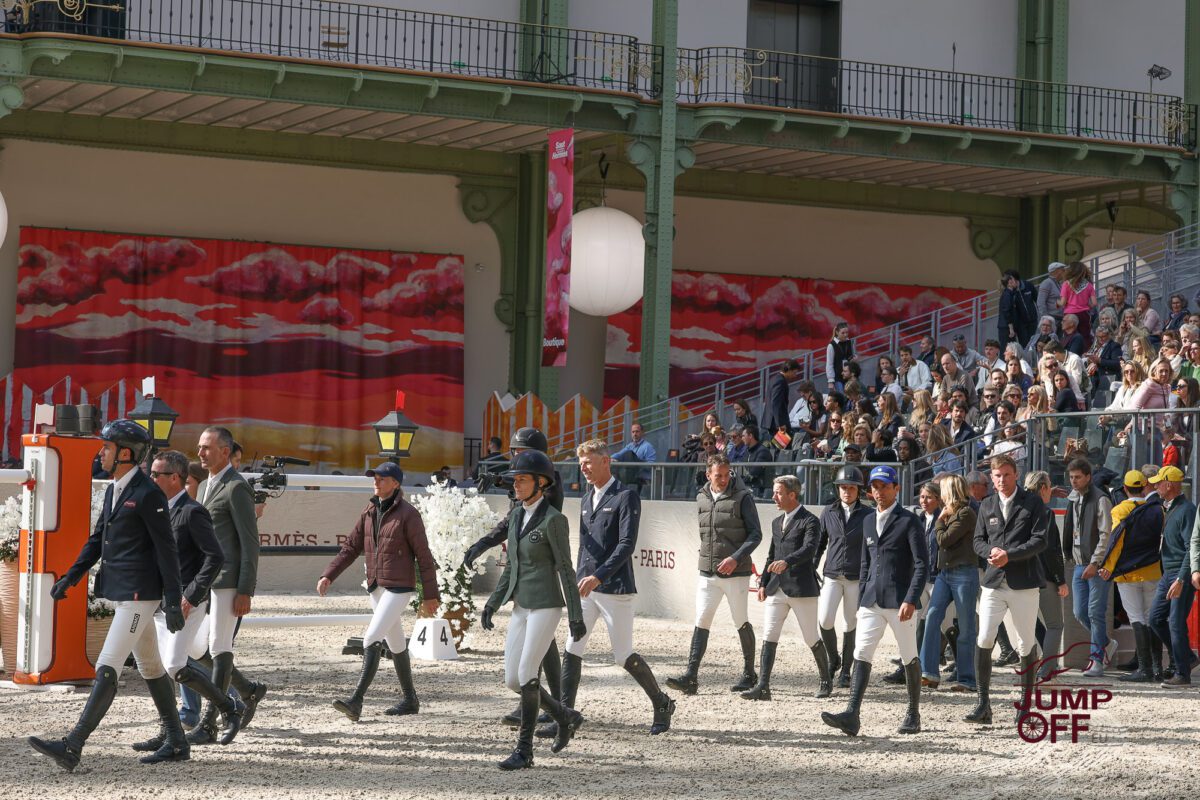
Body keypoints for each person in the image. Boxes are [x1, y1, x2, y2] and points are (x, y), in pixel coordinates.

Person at [29, 421, 186, 772]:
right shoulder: (116, 489)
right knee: (150, 665)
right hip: (123, 591)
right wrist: (71, 577)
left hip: (140, 594)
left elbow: (167, 551)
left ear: (125, 453)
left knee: (107, 666)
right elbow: (98, 539)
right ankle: (176, 739)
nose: (100, 452)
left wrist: (173, 601)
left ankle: (73, 744)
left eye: (107, 447)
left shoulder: (149, 494)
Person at [539, 440, 675, 737]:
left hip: (615, 590)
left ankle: (662, 703)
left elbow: (626, 545)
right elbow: (585, 546)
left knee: (622, 655)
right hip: (586, 588)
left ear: (606, 461)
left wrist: (598, 576)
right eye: (581, 464)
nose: (583, 468)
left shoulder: (627, 496)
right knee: (572, 648)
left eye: (588, 462)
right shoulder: (587, 498)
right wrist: (577, 579)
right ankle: (564, 716)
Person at [129, 450, 243, 760]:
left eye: (157, 474)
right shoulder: (155, 511)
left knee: (174, 665)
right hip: (160, 602)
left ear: (175, 478)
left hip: (187, 603)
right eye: (150, 473)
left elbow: (215, 556)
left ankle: (229, 707)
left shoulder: (193, 512)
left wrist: (191, 596)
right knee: (164, 666)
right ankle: (170, 733)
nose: (151, 479)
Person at [479, 450, 584, 770]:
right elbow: (510, 568)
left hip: (547, 606)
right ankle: (565, 715)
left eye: (523, 480)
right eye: (515, 480)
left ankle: (524, 751)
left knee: (527, 674)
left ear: (541, 483)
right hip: (521, 606)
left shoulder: (555, 520)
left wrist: (576, 616)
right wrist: (493, 602)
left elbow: (566, 570)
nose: (517, 485)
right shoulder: (515, 517)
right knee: (513, 680)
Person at [317, 461, 439, 721]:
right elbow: (350, 548)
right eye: (375, 478)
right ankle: (410, 699)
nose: (376, 481)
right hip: (376, 587)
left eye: (382, 478)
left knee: (371, 638)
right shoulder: (369, 511)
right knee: (395, 643)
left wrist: (430, 595)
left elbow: (424, 556)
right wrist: (329, 574)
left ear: (395, 483)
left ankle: (356, 701)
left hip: (399, 588)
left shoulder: (409, 514)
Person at [821, 466, 928, 737]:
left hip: (899, 601)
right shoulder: (869, 521)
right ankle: (852, 714)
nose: (879, 492)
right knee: (861, 652)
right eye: (875, 487)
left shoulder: (909, 521)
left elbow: (921, 565)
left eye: (884, 487)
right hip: (871, 600)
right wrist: (861, 598)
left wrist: (911, 599)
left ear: (896, 489)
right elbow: (866, 563)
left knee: (908, 656)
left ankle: (913, 713)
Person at [189, 426, 267, 745]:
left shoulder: (236, 487)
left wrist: (245, 588)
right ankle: (247, 691)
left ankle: (210, 721)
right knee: (195, 647)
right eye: (199, 447)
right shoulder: (207, 484)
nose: (200, 452)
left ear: (225, 451)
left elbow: (250, 543)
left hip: (228, 581)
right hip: (206, 580)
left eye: (207, 447)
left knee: (220, 646)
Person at [667, 453, 762, 695]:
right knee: (701, 621)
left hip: (736, 573)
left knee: (740, 620)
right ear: (708, 474)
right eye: (717, 475)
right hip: (707, 571)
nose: (722, 479)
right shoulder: (701, 497)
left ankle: (750, 673)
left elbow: (755, 535)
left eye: (726, 474)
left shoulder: (743, 497)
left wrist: (735, 558)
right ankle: (691, 676)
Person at [965, 454, 1048, 727]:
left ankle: (1025, 705)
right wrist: (992, 552)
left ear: (1015, 475)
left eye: (1006, 475)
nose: (1001, 480)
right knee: (984, 637)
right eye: (997, 475)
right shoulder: (986, 504)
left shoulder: (1033, 503)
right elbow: (978, 541)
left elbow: (1039, 541)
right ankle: (982, 703)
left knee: (1025, 642)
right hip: (993, 582)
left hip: (1023, 583)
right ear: (992, 477)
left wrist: (1009, 555)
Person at [742, 476, 832, 701]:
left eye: (778, 493)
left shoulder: (810, 521)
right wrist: (764, 582)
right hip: (777, 587)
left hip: (801, 587)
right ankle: (763, 685)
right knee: (769, 635)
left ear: (793, 494)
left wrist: (787, 562)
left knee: (810, 636)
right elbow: (772, 555)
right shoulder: (776, 522)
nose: (774, 497)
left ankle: (825, 680)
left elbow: (810, 549)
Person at [919, 475, 979, 692]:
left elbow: (944, 540)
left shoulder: (966, 513)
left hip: (964, 574)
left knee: (966, 627)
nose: (940, 494)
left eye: (942, 490)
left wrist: (940, 521)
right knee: (932, 616)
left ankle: (967, 678)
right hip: (945, 573)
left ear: (951, 491)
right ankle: (928, 672)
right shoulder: (953, 512)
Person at [1062, 457, 1116, 677]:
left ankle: (1097, 660)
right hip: (1078, 563)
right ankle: (1105, 644)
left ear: (1088, 477)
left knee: (1095, 612)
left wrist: (1095, 563)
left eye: (1077, 477)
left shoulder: (1101, 499)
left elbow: (1106, 535)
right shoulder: (1074, 498)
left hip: (1096, 565)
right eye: (1071, 477)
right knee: (1079, 612)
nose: (1073, 481)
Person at [1022, 470, 1069, 682]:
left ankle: (1040, 664)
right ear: (1043, 488)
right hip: (1043, 576)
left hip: (1020, 576)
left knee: (1029, 621)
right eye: (1049, 486)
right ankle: (1047, 669)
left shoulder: (1017, 507)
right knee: (1055, 624)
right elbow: (1051, 551)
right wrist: (1061, 580)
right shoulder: (1044, 512)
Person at [612, 423, 657, 497]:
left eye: (637, 431)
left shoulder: (648, 447)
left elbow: (651, 465)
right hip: (630, 476)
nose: (635, 434)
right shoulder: (630, 446)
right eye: (633, 432)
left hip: (641, 477)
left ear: (642, 433)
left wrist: (638, 464)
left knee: (629, 454)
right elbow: (619, 454)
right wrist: (611, 458)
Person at [1058, 262, 1097, 346]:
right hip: (1084, 314)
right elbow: (1094, 303)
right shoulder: (1089, 285)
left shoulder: (1066, 284)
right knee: (1085, 337)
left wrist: (1057, 302)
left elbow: (1063, 303)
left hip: (1069, 314)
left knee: (1069, 337)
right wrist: (1086, 305)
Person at [999, 269, 1038, 347]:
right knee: (1024, 345)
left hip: (1032, 320)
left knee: (1033, 344)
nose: (1009, 281)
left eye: (1010, 279)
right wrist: (1011, 327)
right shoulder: (1010, 292)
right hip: (1020, 323)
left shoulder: (1028, 285)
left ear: (1015, 278)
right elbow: (1007, 309)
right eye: (1007, 279)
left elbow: (1037, 298)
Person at [761, 360, 798, 436]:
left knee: (778, 446)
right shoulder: (780, 381)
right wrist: (780, 424)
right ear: (789, 370)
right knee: (780, 447)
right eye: (794, 372)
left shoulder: (774, 379)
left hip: (773, 422)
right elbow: (776, 403)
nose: (795, 375)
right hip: (776, 424)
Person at [1037, 261, 1067, 330]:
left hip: (1060, 319)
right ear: (1056, 271)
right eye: (1062, 270)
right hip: (1051, 319)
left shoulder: (1059, 283)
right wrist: (1046, 318)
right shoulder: (1046, 283)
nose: (1064, 272)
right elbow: (1040, 302)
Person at [827, 323, 853, 392]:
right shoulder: (831, 345)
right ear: (837, 332)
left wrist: (853, 359)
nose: (845, 335)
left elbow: (850, 357)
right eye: (843, 333)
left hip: (848, 376)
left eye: (847, 332)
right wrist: (830, 381)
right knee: (841, 396)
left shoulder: (848, 342)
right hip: (837, 378)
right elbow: (829, 364)